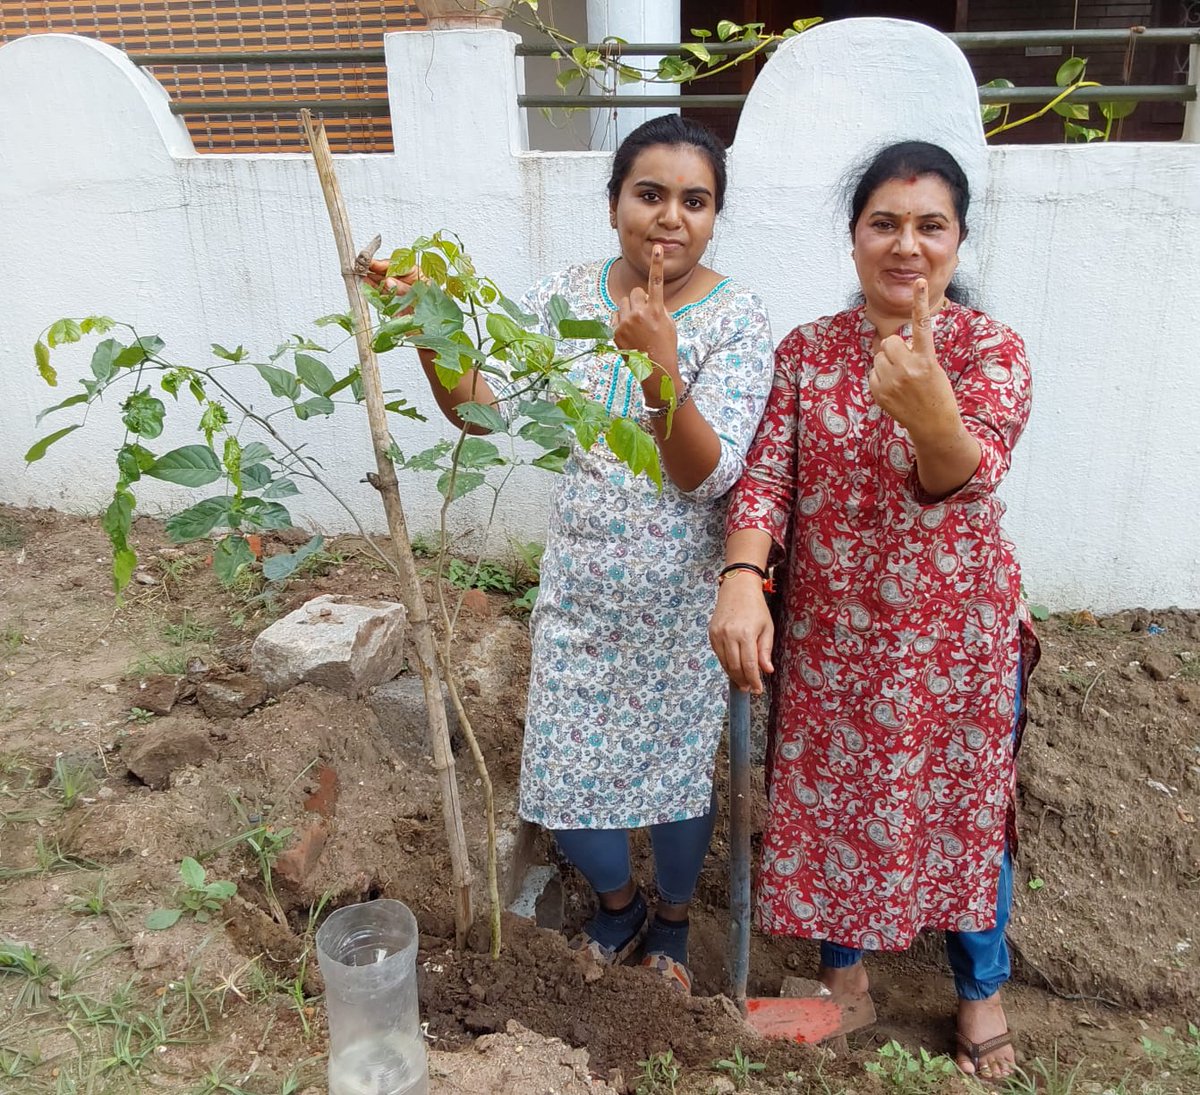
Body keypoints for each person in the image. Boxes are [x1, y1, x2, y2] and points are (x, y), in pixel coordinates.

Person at [367, 115, 774, 995]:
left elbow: (707, 475)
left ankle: (673, 919)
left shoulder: (737, 317)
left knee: (674, 777)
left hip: (680, 599)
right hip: (583, 590)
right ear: (614, 201)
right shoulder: (563, 297)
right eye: (650, 194)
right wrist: (428, 327)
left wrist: (660, 366)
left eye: (695, 201)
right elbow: (483, 411)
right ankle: (618, 903)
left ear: (715, 216)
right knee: (562, 771)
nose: (670, 217)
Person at [708, 141, 1037, 1079]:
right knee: (829, 808)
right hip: (833, 637)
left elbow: (963, 474)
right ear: (854, 237)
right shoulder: (808, 352)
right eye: (883, 223)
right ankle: (843, 981)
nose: (906, 244)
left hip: (956, 640)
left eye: (930, 225)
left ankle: (981, 990)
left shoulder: (992, 350)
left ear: (958, 240)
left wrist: (931, 408)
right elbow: (767, 478)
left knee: (968, 813)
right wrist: (743, 575)